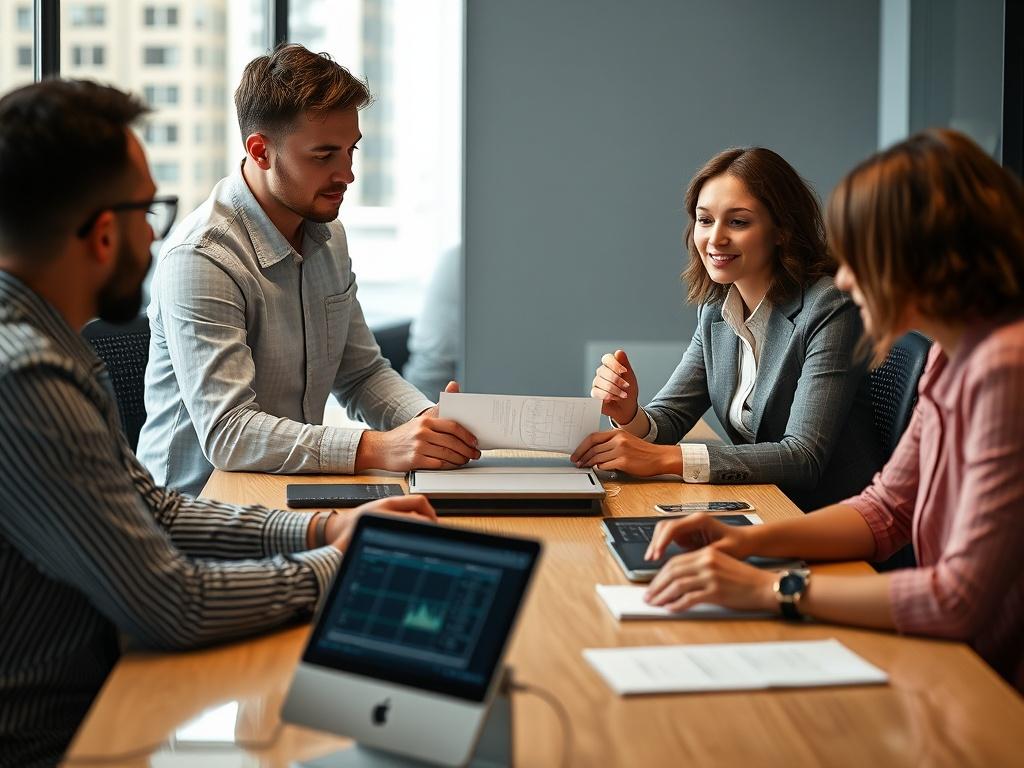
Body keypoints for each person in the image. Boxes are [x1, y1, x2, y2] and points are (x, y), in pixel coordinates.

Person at [0, 80, 438, 768]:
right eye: (149, 209)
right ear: (103, 231)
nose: (156, 231)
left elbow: (152, 510)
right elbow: (170, 604)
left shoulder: (53, 348)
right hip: (58, 734)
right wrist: (339, 564)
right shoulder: (27, 377)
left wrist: (326, 528)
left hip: (103, 678)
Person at [643, 129, 1024, 691]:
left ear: (933, 257)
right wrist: (746, 541)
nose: (845, 277)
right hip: (947, 654)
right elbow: (886, 510)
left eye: (864, 257)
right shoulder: (952, 355)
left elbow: (957, 599)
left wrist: (771, 589)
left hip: (989, 681)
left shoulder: (1005, 368)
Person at [137, 44, 479, 497]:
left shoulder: (327, 234)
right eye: (324, 156)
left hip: (290, 494)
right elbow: (230, 433)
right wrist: (377, 447)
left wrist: (424, 423)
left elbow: (360, 374)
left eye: (350, 151)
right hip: (196, 513)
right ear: (260, 151)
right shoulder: (201, 257)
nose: (347, 175)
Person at [573, 147, 880, 510]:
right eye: (705, 220)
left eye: (738, 222)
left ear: (782, 230)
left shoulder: (829, 306)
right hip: (761, 501)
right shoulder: (716, 308)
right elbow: (669, 418)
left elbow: (804, 457)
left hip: (829, 517)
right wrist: (628, 414)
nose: (715, 238)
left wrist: (668, 459)